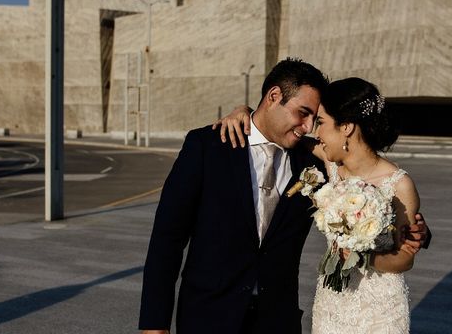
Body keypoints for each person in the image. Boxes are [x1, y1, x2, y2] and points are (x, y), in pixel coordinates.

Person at [139, 58, 428, 334]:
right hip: (207, 317)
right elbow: (168, 237)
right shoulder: (209, 147)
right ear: (274, 96)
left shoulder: (316, 161)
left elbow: (376, 192)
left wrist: (418, 232)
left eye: (315, 119)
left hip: (277, 321)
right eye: (303, 113)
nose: (307, 128)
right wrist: (155, 322)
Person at [219, 77, 423, 333]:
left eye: (321, 123)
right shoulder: (332, 165)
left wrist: (364, 257)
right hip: (331, 304)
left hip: (379, 308)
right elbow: (273, 125)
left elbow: (405, 259)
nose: (315, 132)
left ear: (346, 127)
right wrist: (245, 111)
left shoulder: (398, 184)